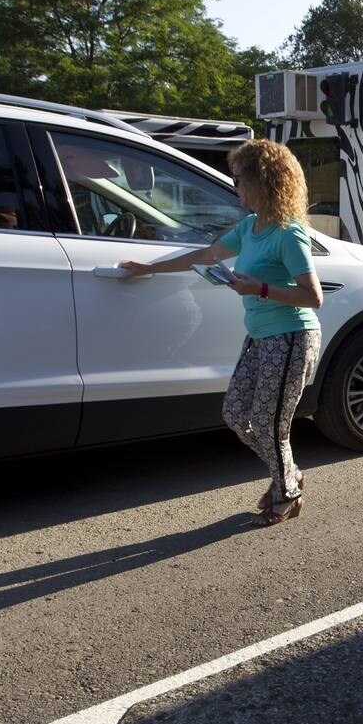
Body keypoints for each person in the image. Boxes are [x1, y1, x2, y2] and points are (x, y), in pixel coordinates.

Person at [121, 140, 324, 526]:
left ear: (265, 183)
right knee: (235, 414)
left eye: (241, 181)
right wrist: (147, 267)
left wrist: (259, 289)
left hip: (292, 337)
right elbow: (205, 256)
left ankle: (288, 494)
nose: (237, 189)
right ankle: (289, 473)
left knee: (269, 423)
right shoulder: (250, 227)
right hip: (260, 337)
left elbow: (313, 297)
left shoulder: (289, 234)